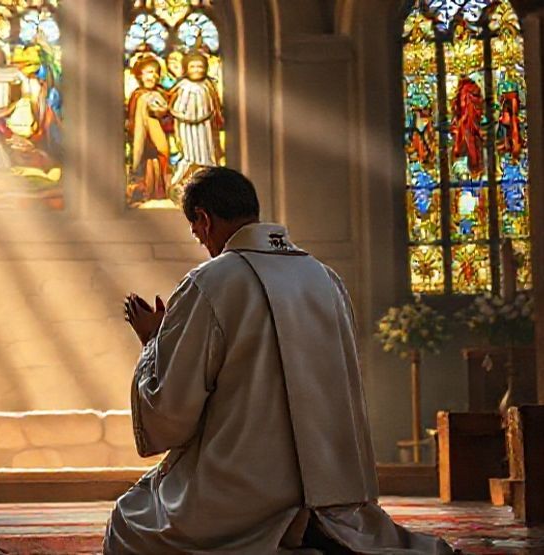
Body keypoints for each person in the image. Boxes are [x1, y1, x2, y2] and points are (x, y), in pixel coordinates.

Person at [106, 167, 454, 554]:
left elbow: (171, 407)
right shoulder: (325, 278)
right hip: (333, 494)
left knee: (129, 522)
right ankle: (312, 525)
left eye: (197, 232)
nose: (203, 244)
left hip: (242, 496)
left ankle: (280, 532)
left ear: (203, 219)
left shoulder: (210, 282)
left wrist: (153, 340)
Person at [169, 50, 224, 187]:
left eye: (200, 66)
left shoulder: (207, 85)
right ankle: (183, 179)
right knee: (189, 154)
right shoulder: (182, 86)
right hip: (185, 127)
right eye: (192, 66)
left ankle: (208, 177)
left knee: (205, 151)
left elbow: (215, 106)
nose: (196, 70)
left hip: (205, 126)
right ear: (186, 69)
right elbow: (174, 106)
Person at [127, 55, 173, 201]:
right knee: (147, 162)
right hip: (144, 137)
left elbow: (168, 115)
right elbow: (133, 118)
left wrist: (162, 113)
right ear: (140, 75)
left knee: (161, 158)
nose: (152, 76)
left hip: (159, 133)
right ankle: (145, 190)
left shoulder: (161, 94)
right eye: (148, 72)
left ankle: (159, 191)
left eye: (154, 72)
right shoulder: (137, 95)